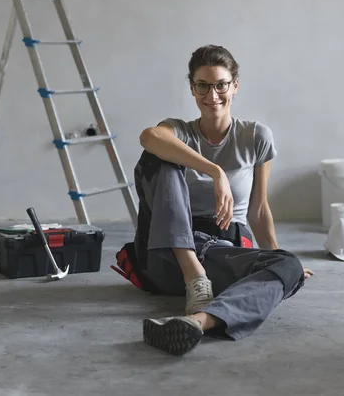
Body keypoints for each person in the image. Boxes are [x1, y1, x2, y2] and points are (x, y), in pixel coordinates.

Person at [126, 44, 313, 356]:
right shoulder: (179, 131)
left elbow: (259, 209)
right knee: (158, 158)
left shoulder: (255, 137)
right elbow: (149, 137)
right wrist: (215, 172)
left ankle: (198, 322)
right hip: (167, 253)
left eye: (221, 85)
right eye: (202, 86)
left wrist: (276, 260)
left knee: (289, 264)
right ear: (192, 88)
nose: (212, 96)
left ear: (234, 86)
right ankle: (194, 276)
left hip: (221, 248)